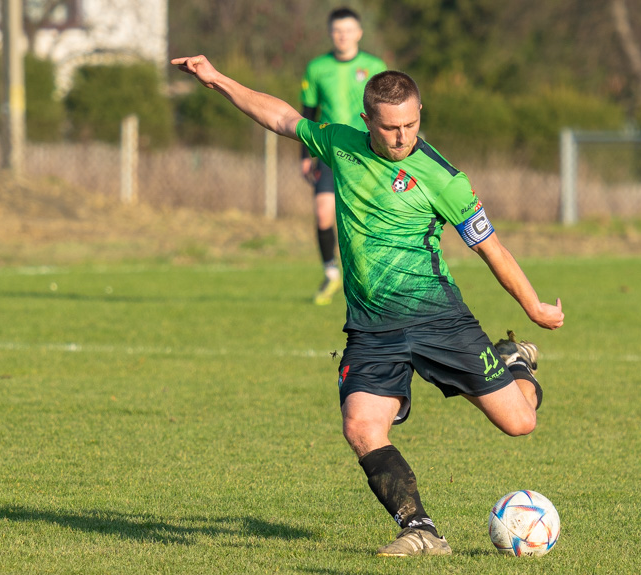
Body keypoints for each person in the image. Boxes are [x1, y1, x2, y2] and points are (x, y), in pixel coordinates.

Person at [171, 54, 565, 557]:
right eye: (391, 127)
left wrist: (532, 305)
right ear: (366, 122)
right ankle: (421, 529)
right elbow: (280, 117)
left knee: (520, 423)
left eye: (411, 124)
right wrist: (217, 79)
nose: (403, 137)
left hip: (438, 318)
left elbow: (491, 248)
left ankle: (514, 361)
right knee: (360, 426)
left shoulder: (443, 177)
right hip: (372, 328)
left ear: (421, 114)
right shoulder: (342, 145)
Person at [300, 8, 386, 305]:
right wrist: (305, 154)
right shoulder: (316, 68)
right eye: (337, 30)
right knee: (324, 212)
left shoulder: (374, 65)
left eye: (348, 30)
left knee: (367, 215)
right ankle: (330, 274)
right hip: (328, 149)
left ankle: (373, 276)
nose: (342, 35)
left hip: (366, 150)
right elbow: (308, 113)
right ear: (330, 33)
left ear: (359, 33)